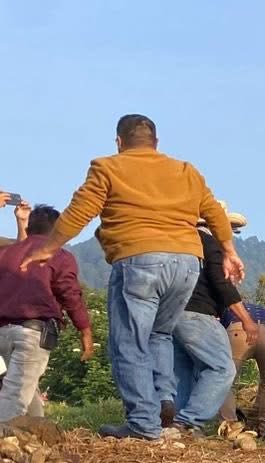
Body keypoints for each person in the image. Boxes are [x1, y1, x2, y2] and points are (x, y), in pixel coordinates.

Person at [20, 115, 241, 440]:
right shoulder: (186, 171)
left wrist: (49, 247)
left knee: (128, 343)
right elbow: (213, 212)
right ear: (156, 142)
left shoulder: (108, 167)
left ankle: (143, 423)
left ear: (119, 143)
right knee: (160, 335)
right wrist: (229, 250)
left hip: (141, 259)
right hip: (187, 263)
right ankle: (164, 397)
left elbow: (80, 210)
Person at [0, 199, 94, 423]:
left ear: (29, 228)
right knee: (15, 395)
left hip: (3, 332)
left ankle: (38, 437)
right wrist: (85, 330)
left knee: (25, 388)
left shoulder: (5, 254)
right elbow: (70, 294)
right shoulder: (59, 256)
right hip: (33, 332)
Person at [170, 205, 256, 432]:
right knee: (222, 369)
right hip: (198, 314)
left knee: (183, 372)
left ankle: (178, 427)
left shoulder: (182, 243)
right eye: (230, 229)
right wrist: (246, 319)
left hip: (172, 315)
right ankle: (188, 421)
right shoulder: (210, 244)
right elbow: (222, 284)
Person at [221, 299, 265, 438]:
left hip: (240, 329)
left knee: (227, 382)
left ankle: (230, 428)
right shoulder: (262, 309)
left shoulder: (229, 307)